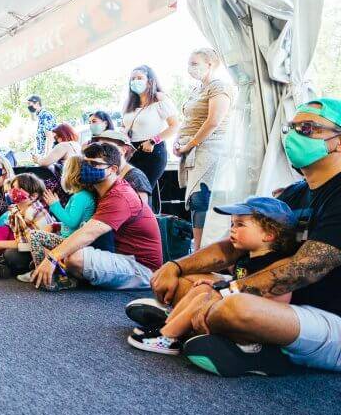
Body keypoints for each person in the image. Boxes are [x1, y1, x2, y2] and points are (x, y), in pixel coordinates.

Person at [146, 99, 341, 376]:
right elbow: (232, 246)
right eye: (292, 128)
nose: (296, 136)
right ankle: (223, 335)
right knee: (189, 283)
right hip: (278, 306)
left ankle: (236, 341)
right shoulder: (294, 193)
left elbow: (306, 267)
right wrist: (175, 266)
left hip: (327, 319)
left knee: (233, 305)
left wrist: (227, 291)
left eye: (308, 128)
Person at [127, 197, 297, 355]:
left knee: (208, 296)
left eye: (240, 225)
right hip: (238, 303)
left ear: (269, 234)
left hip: (257, 321)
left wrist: (226, 292)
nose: (232, 229)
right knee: (203, 289)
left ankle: (168, 337)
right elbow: (239, 282)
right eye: (232, 224)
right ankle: (168, 326)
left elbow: (280, 297)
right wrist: (220, 283)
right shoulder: (245, 256)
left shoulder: (275, 264)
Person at [31, 142, 163, 291]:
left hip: (142, 268)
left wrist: (52, 257)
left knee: (74, 257)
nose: (87, 167)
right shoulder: (101, 191)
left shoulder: (120, 196)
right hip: (118, 255)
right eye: (85, 163)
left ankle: (71, 276)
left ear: (113, 169)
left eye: (94, 163)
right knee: (67, 249)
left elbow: (89, 232)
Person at [175, 48, 234, 249]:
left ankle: (206, 249)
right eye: (189, 64)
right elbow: (188, 120)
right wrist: (178, 143)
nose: (190, 68)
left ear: (210, 64)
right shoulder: (196, 89)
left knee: (202, 199)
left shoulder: (219, 87)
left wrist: (189, 144)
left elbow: (213, 121)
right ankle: (198, 249)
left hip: (211, 149)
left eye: (195, 63)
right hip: (192, 150)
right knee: (195, 201)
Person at [17, 156, 98, 289]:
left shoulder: (81, 197)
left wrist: (55, 206)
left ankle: (43, 274)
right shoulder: (80, 196)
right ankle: (44, 271)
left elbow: (72, 222)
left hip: (71, 241)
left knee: (35, 235)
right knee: (41, 234)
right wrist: (57, 224)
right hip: (68, 237)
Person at [0, 173, 52, 279]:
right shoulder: (14, 211)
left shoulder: (38, 213)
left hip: (32, 253)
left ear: (34, 196)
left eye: (20, 188)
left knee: (11, 255)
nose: (13, 191)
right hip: (14, 247)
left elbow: (31, 244)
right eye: (13, 187)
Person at [122, 65, 179, 213]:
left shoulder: (159, 98)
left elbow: (174, 126)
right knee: (129, 192)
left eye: (139, 78)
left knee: (143, 191)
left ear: (150, 81)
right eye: (132, 79)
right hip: (132, 152)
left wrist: (154, 140)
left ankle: (146, 228)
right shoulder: (129, 103)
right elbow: (125, 127)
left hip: (152, 152)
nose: (135, 81)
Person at [92, 130, 153, 208]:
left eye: (106, 146)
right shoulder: (106, 172)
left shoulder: (136, 177)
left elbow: (141, 212)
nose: (101, 151)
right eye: (99, 147)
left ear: (123, 150)